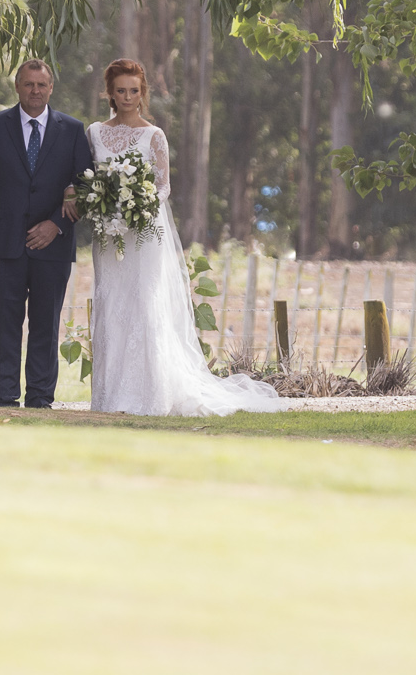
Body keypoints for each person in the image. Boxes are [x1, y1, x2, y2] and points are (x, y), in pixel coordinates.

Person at [86, 58, 282, 417]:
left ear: (142, 92)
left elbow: (162, 187)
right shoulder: (95, 132)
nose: (127, 96)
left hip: (143, 233)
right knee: (111, 304)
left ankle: (151, 396)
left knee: (145, 305)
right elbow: (89, 179)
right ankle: (111, 397)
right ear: (110, 94)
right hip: (108, 235)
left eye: (134, 90)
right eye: (120, 91)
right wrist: (105, 205)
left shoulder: (153, 135)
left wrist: (136, 206)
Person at [0, 60, 88, 408]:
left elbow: (85, 187)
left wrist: (57, 224)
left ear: (51, 88)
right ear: (17, 87)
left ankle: (40, 398)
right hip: (2, 246)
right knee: (6, 324)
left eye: (42, 84)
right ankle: (4, 397)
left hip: (54, 246)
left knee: (46, 326)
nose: (35, 90)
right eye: (28, 84)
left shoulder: (72, 130)